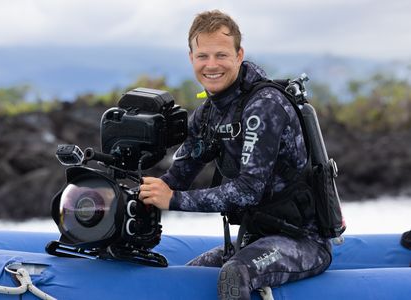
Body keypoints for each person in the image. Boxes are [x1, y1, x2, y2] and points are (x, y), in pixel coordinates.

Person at [139, 10, 332, 299]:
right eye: (203, 56)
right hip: (254, 239)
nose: (211, 65)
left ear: (239, 55)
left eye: (221, 55)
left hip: (303, 241)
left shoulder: (264, 106)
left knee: (234, 273)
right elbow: (177, 177)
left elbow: (248, 191)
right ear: (191, 58)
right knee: (188, 276)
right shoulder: (207, 114)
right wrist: (135, 196)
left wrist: (174, 200)